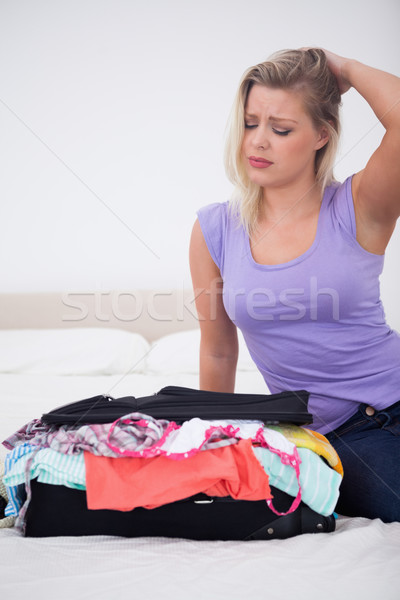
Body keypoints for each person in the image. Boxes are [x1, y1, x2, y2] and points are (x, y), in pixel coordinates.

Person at [189, 48, 400, 523]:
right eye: (250, 123)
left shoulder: (359, 205)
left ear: (321, 135)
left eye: (280, 129)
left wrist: (346, 68)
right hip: (323, 435)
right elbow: (219, 352)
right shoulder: (215, 230)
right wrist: (216, 445)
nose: (258, 142)